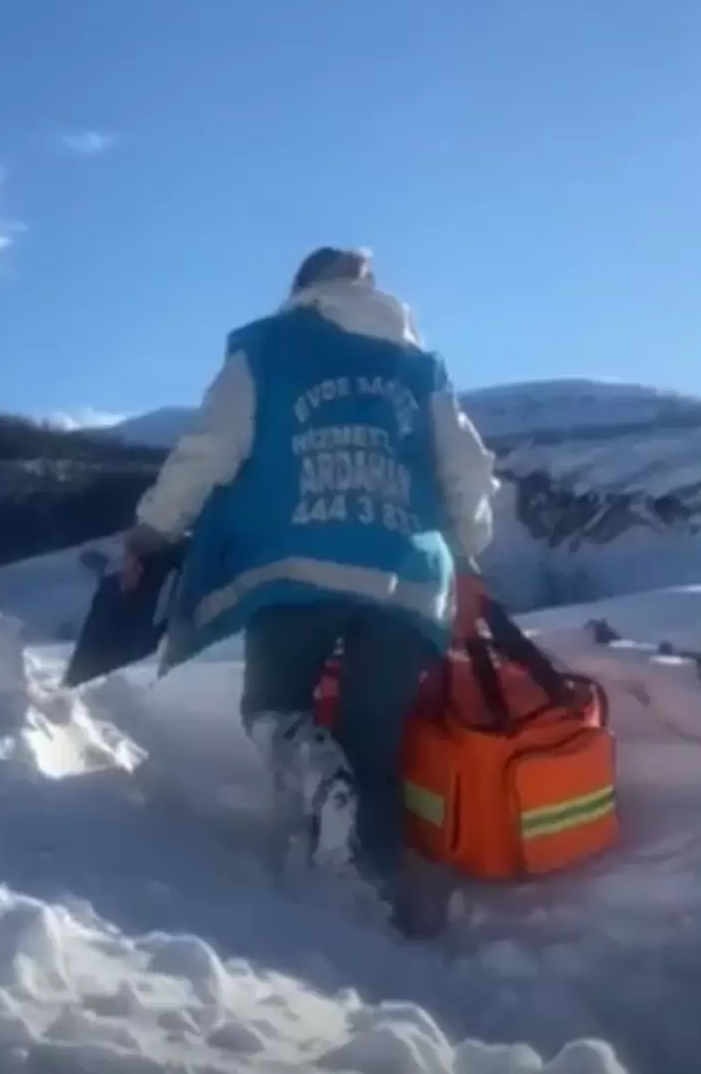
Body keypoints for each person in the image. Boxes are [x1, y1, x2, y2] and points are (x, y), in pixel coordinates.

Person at [122, 247, 499, 931]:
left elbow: (210, 448)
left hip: (297, 561)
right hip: (410, 574)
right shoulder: (421, 368)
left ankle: (318, 779)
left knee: (274, 707)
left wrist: (152, 531)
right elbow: (469, 473)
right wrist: (470, 549)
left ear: (300, 289)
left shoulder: (267, 347)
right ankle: (377, 907)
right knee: (375, 741)